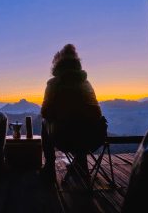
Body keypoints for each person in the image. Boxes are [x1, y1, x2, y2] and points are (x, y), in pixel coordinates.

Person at [39, 44, 108, 180]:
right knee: (82, 122)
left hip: (67, 139)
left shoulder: (53, 83)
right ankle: (81, 164)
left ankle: (49, 168)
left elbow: (45, 113)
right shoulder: (86, 83)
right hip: (96, 138)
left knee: (44, 122)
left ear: (57, 65)